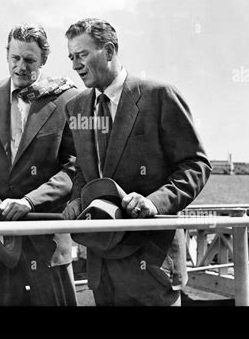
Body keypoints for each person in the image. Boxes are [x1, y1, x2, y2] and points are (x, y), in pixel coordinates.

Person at [62, 18, 212, 306]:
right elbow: (83, 169)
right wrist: (76, 199)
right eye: (71, 57)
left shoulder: (159, 96)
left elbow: (196, 165)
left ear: (108, 50)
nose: (75, 65)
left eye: (81, 55)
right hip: (102, 267)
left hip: (152, 265)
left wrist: (154, 203)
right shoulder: (77, 106)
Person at [0, 23, 79, 306]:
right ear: (7, 54)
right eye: (15, 58)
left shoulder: (68, 100)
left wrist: (30, 202)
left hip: (46, 245)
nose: (20, 67)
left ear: (44, 60)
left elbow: (73, 168)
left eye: (30, 60)